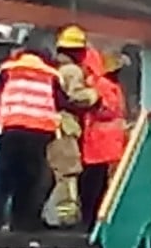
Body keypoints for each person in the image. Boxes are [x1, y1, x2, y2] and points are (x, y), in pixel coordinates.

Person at [0, 49, 60, 232]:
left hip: (13, 128)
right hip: (39, 132)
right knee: (29, 179)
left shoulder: (10, 73)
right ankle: (22, 223)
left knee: (3, 179)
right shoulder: (48, 77)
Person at [48, 25, 99, 228]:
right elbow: (76, 96)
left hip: (49, 124)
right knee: (68, 171)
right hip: (65, 125)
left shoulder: (53, 68)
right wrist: (94, 95)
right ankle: (67, 216)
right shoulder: (72, 71)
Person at [79, 50, 129, 231]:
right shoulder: (102, 85)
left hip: (105, 146)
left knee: (99, 186)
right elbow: (106, 110)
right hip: (98, 146)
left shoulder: (105, 85)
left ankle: (94, 222)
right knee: (94, 186)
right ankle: (91, 223)